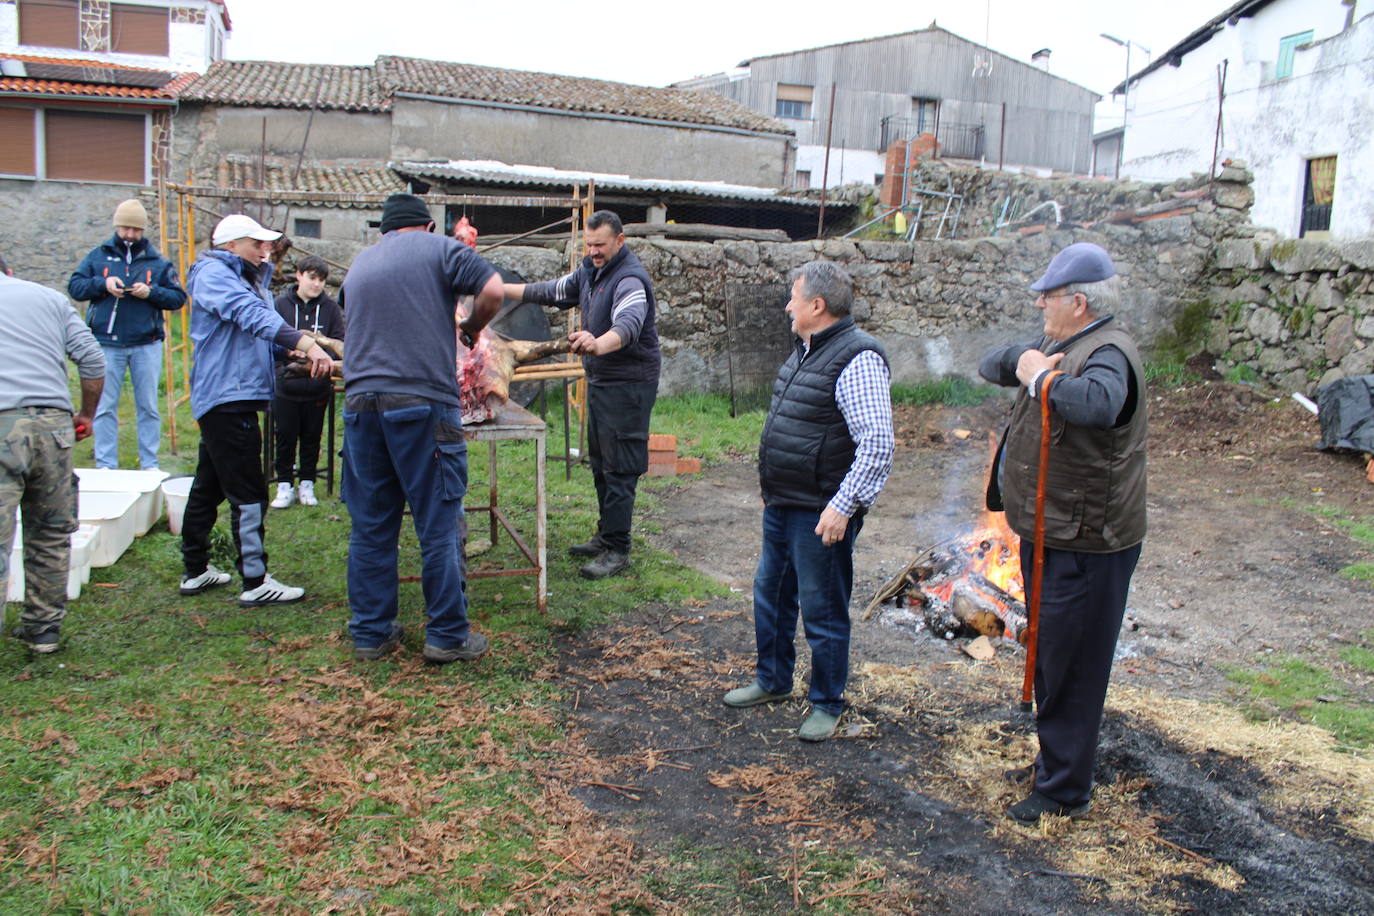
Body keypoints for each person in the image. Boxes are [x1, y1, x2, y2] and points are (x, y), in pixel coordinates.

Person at [978, 242, 1147, 825]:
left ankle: (1064, 791)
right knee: (1053, 653)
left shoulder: (1108, 353)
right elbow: (992, 363)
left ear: (1078, 302)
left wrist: (1041, 381)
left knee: (1072, 665)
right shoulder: (1062, 344)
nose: (1039, 305)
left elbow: (1099, 404)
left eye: (1046, 297)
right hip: (1056, 533)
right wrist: (1027, 363)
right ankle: (1055, 766)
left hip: (1087, 541)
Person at [722, 261, 894, 742]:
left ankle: (827, 701)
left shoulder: (857, 357)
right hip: (784, 503)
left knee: (822, 608)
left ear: (817, 305)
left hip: (822, 511)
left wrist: (843, 505)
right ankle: (773, 680)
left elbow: (878, 443)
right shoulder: (805, 350)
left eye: (793, 298)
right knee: (772, 596)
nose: (787, 306)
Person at [339, 193, 504, 662]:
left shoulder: (360, 264)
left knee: (371, 525)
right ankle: (447, 636)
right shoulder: (442, 250)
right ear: (429, 227)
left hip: (360, 405)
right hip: (422, 404)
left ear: (385, 232)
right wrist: (470, 328)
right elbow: (492, 291)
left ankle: (371, 633)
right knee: (438, 522)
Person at [178, 215, 334, 607]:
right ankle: (255, 579)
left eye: (266, 245)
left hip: (233, 394)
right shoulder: (215, 275)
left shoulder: (247, 279)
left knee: (208, 485)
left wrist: (290, 352)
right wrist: (305, 341)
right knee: (249, 491)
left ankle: (195, 569)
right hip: (229, 397)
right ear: (230, 245)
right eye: (256, 244)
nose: (265, 251)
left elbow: (254, 337)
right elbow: (250, 317)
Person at [503, 210, 660, 580]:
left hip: (629, 385)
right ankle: (605, 536)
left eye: (600, 245)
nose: (593, 252)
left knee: (621, 466)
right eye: (588, 245)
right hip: (604, 382)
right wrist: (497, 288)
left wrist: (597, 343)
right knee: (602, 461)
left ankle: (618, 549)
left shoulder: (630, 280)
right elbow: (550, 291)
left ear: (619, 241)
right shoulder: (591, 271)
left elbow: (628, 325)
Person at [1, 257, 105, 653]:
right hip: (53, 425)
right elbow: (93, 360)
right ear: (10, 272)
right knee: (49, 532)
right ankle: (43, 630)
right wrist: (86, 415)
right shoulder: (48, 298)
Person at [67, 199, 186, 471]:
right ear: (116, 226)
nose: (130, 235)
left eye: (135, 229)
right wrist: (103, 284)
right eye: (125, 228)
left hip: (147, 343)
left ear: (143, 230)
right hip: (107, 343)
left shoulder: (158, 262)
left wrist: (151, 292)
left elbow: (178, 298)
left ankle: (149, 463)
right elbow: (75, 286)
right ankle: (106, 463)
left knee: (148, 406)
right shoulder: (98, 256)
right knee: (105, 406)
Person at [270, 256, 344, 509]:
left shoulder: (332, 309)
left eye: (321, 280)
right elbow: (271, 338)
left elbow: (339, 343)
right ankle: (284, 483)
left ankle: (307, 482)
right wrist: (291, 354)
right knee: (285, 435)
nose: (317, 284)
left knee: (312, 435)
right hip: (287, 383)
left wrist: (323, 356)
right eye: (312, 277)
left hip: (317, 384)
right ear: (299, 275)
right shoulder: (280, 304)